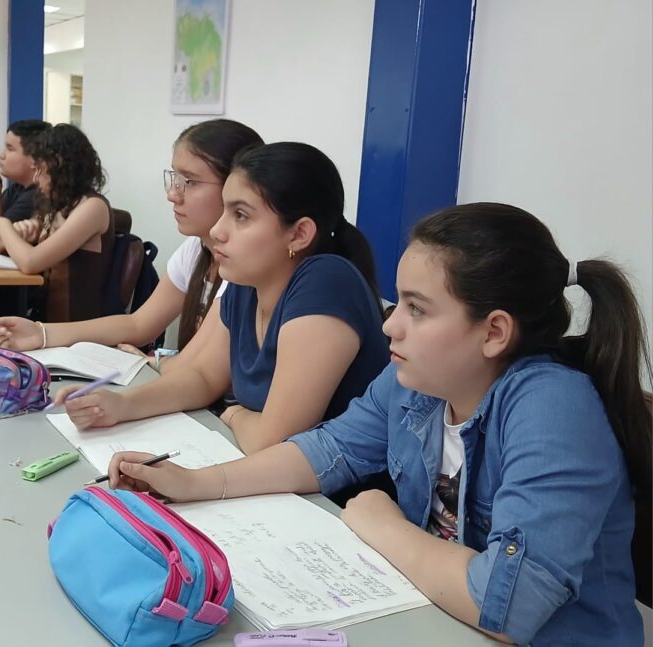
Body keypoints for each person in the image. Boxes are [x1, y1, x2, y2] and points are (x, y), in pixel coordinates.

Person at [102, 203, 650, 645]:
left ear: (493, 332)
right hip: (437, 618)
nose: (391, 324)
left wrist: (383, 524)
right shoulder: (420, 381)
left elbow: (511, 606)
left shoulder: (553, 408)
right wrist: (196, 483)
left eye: (417, 308)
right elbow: (327, 449)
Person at [54, 142, 389, 455]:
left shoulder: (327, 282)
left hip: (334, 494)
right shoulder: (249, 280)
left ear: (299, 234)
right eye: (225, 211)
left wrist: (232, 414)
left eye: (240, 215)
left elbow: (272, 441)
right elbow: (202, 376)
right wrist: (120, 405)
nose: (217, 230)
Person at [0, 119, 263, 370]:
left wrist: (156, 363)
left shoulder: (243, 267)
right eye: (174, 178)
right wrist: (40, 333)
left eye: (189, 181)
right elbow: (138, 324)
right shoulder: (194, 250)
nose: (173, 194)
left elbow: (201, 373)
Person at [0, 123, 113, 322]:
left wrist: (2, 225)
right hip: (43, 319)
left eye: (40, 170)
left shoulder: (93, 207)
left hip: (73, 326)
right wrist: (17, 234)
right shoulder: (57, 206)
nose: (36, 179)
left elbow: (30, 262)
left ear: (58, 165)